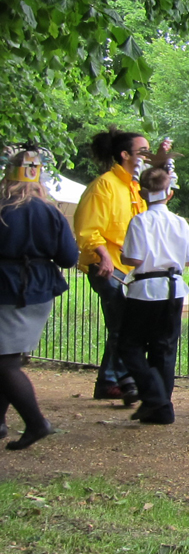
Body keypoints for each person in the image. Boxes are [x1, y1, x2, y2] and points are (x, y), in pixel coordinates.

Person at [0, 144, 77, 449]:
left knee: (4, 362)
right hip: (40, 290)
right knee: (7, 358)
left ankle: (36, 423)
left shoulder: (2, 208)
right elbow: (68, 258)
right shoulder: (51, 212)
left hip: (7, 289)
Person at [117, 162, 189, 424]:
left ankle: (155, 397)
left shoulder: (140, 221)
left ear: (141, 193)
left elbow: (134, 259)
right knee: (164, 348)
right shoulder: (180, 222)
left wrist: (124, 253)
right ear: (169, 192)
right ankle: (161, 408)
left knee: (130, 346)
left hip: (145, 290)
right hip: (173, 288)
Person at [73, 126, 148, 401]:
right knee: (123, 325)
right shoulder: (104, 185)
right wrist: (102, 256)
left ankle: (110, 381)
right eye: (143, 152)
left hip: (129, 269)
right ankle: (118, 381)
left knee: (124, 325)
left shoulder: (137, 186)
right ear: (125, 155)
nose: (147, 156)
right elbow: (87, 227)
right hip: (106, 266)